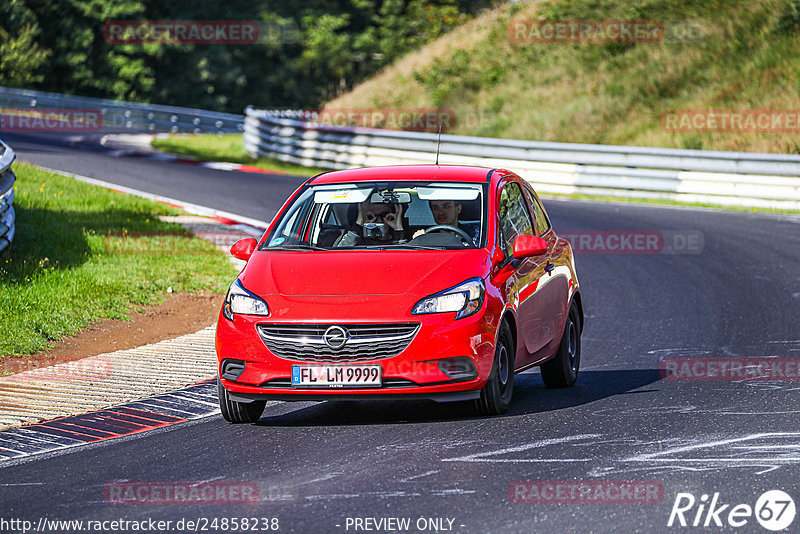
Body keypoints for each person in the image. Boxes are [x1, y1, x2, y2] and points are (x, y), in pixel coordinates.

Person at [334, 200, 405, 247]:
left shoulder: (410, 238)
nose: (379, 221)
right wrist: (359, 225)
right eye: (371, 216)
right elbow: (338, 256)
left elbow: (405, 258)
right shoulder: (356, 241)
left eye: (384, 215)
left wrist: (398, 230)